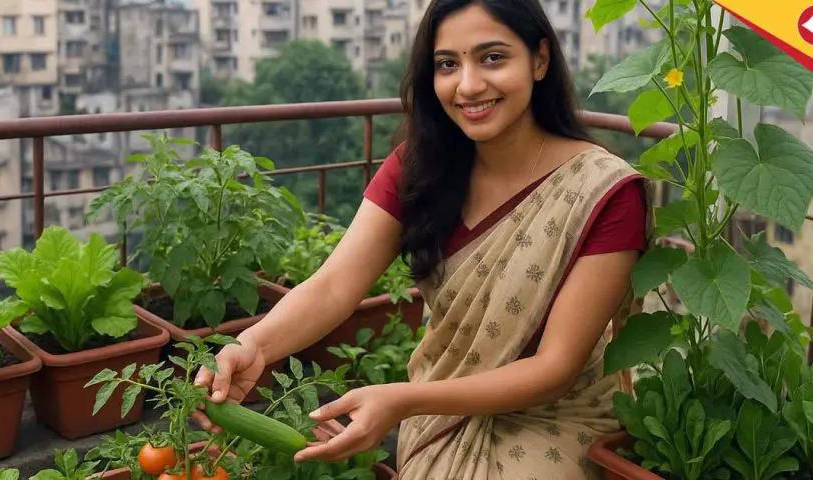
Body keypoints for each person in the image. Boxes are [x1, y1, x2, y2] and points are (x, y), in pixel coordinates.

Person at [193, 0, 653, 477]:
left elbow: (554, 369)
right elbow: (334, 285)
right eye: (447, 64)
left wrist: (402, 400)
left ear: (539, 60)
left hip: (559, 420)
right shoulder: (419, 167)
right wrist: (255, 346)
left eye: (493, 57)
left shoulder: (603, 192)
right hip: (440, 415)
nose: (469, 85)